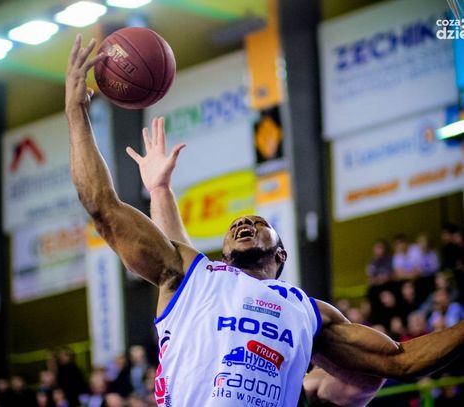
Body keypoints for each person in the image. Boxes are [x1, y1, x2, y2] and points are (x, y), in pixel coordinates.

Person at [66, 34, 464, 407]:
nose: (244, 224)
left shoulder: (308, 312)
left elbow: (400, 361)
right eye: (236, 225)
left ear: (281, 253)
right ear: (222, 254)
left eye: (257, 222)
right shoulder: (196, 278)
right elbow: (102, 207)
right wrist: (77, 112)